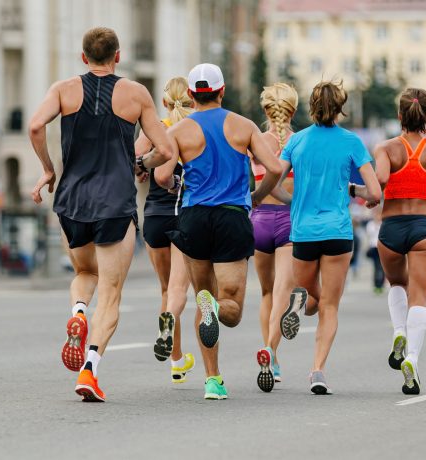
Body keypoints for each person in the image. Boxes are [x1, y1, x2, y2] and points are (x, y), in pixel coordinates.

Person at [28, 27, 173, 402]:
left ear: (83, 57)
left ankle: (78, 310)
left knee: (84, 272)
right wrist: (139, 162)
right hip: (115, 202)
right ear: (118, 57)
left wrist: (47, 169)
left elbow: (34, 126)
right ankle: (89, 371)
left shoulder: (63, 89)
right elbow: (166, 149)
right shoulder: (136, 94)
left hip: (72, 201)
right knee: (110, 293)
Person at [155, 63, 282, 400]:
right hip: (231, 217)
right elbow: (276, 167)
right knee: (232, 308)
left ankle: (213, 380)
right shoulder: (244, 126)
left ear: (193, 96)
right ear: (222, 91)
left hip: (194, 218)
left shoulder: (179, 130)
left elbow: (161, 177)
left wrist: (175, 185)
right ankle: (213, 305)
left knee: (202, 297)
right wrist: (255, 195)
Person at [275, 80, 382, 395]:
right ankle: (317, 370)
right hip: (337, 232)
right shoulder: (352, 142)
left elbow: (274, 179)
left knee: (311, 297)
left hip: (304, 232)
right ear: (341, 108)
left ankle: (301, 301)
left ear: (311, 107)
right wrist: (355, 191)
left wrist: (290, 200)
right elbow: (374, 192)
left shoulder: (297, 142)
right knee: (330, 306)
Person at [367, 88, 426, 395]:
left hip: (391, 228)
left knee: (397, 285)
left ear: (400, 116)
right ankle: (413, 360)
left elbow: (378, 181)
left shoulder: (386, 148)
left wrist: (367, 194)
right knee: (421, 295)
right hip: (423, 228)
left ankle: (399, 332)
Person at [134, 77, 195, 384]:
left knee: (164, 289)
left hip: (155, 216)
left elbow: (135, 163)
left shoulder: (155, 130)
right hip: (185, 213)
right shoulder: (194, 130)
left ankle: (177, 361)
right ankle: (183, 351)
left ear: (164, 103)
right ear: (193, 101)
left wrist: (143, 169)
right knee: (183, 290)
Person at [249, 83, 298, 392]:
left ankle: (272, 351)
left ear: (265, 110)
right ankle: (270, 348)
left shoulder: (254, 142)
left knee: (267, 292)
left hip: (259, 221)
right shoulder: (301, 142)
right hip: (289, 223)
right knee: (283, 292)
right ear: (292, 111)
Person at [365, 213, 385, 294]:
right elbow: (369, 235)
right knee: (376, 266)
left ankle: (381, 284)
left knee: (383, 267)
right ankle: (376, 284)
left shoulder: (383, 223)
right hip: (374, 247)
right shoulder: (370, 224)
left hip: (382, 247)